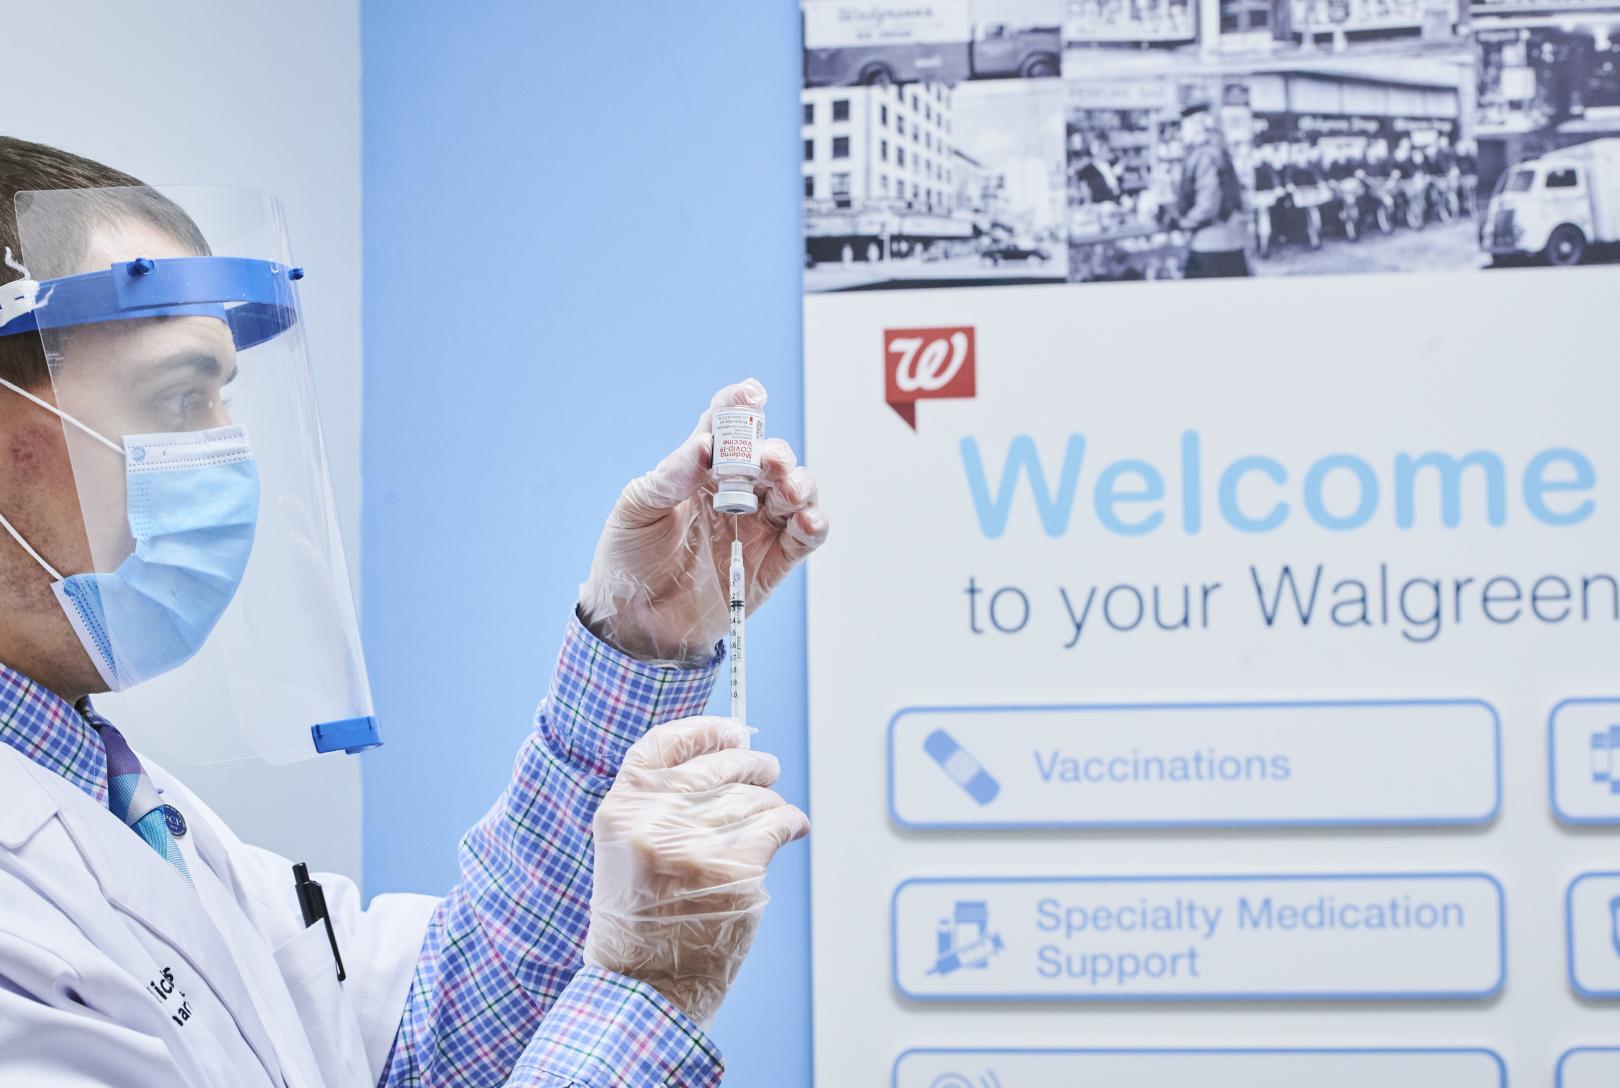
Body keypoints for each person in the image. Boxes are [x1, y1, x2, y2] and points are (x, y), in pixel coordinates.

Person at [0, 137, 828, 1086]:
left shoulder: (125, 805)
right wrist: (644, 993)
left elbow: (435, 1036)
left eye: (226, 399)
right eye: (178, 397)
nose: (230, 460)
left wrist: (642, 637)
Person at [1173, 102, 1250, 278]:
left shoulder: (1203, 155)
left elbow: (1208, 205)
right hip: (1233, 243)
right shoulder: (1221, 151)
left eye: (1183, 127)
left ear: (1196, 127)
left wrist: (1184, 223)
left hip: (1209, 247)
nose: (1181, 134)